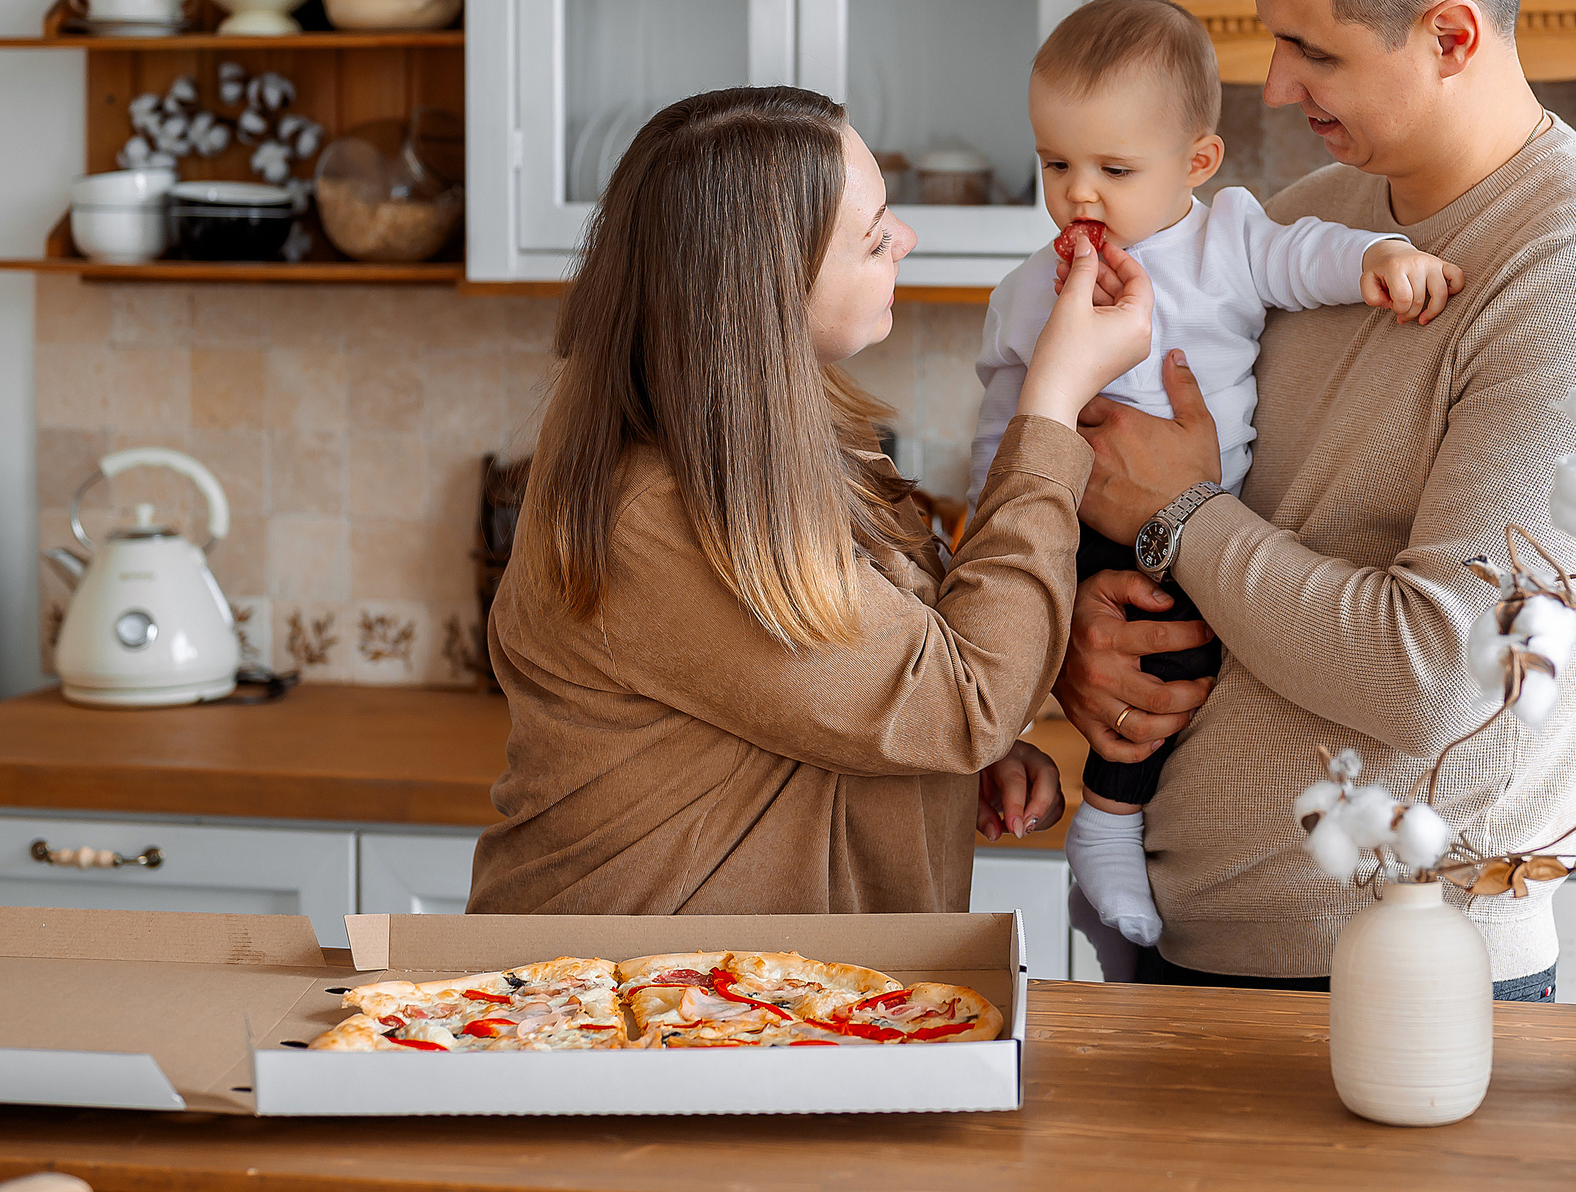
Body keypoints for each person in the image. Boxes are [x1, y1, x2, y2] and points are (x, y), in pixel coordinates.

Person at [1055, 0, 1576, 998]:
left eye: (1314, 50)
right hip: (1176, 942)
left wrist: (1179, 517)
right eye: (1269, 36)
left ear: (1450, 33)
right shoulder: (1312, 216)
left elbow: (1440, 673)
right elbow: (1168, 504)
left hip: (1396, 978)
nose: (1274, 81)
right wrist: (1087, 637)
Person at [469, 85, 1154, 918]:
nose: (906, 238)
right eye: (873, 240)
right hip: (624, 1015)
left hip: (753, 1010)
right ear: (766, 294)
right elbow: (966, 700)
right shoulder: (659, 518)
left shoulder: (784, 456)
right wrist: (1049, 403)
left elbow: (885, 691)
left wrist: (951, 767)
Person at [967, 0, 1461, 946]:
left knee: (1174, 654)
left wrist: (1381, 258)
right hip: (1066, 523)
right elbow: (1004, 424)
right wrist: (1012, 514)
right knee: (1018, 638)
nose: (1079, 195)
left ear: (1197, 162)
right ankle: (1036, 776)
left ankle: (1109, 819)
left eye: (1115, 168)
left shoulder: (1228, 238)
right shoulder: (1029, 291)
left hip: (1190, 526)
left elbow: (1300, 258)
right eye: (1054, 164)